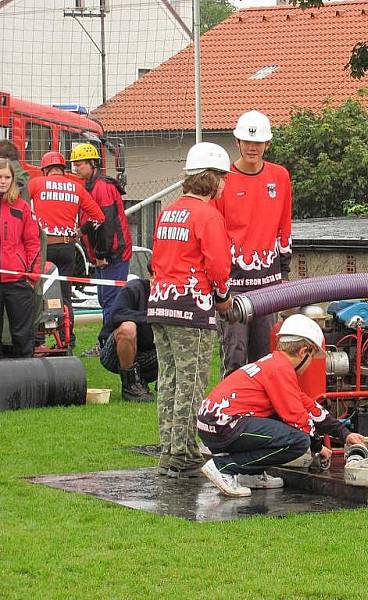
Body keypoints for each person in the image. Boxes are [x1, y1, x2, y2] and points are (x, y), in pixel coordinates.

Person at [198, 314, 366, 497]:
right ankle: (223, 468)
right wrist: (317, 447)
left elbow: (308, 406)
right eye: (312, 357)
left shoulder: (273, 364)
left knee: (284, 428)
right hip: (225, 426)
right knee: (298, 441)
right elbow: (298, 419)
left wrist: (344, 433)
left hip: (215, 424)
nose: (309, 364)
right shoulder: (280, 369)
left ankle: (249, 473)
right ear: (303, 351)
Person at [147, 142, 233, 478]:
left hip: (160, 303)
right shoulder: (208, 214)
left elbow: (158, 260)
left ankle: (168, 449)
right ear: (211, 180)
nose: (224, 184)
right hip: (190, 307)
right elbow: (218, 266)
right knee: (192, 380)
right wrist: (223, 296)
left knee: (168, 379)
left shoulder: (169, 211)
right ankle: (183, 452)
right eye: (222, 178)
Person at [212, 110, 292, 377]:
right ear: (237, 142)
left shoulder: (280, 176)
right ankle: (231, 413)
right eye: (247, 142)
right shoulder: (223, 179)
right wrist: (219, 285)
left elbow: (284, 225)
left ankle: (260, 413)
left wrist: (285, 273)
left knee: (266, 358)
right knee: (235, 356)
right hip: (234, 284)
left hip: (268, 283)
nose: (252, 147)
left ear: (267, 144)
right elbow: (214, 233)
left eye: (258, 143)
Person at [29, 151, 105, 348]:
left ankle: (37, 339)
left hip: (44, 246)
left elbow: (20, 206)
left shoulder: (36, 184)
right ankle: (66, 338)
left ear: (45, 170)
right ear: (63, 169)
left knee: (39, 291)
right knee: (65, 295)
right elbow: (99, 217)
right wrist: (79, 232)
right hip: (68, 246)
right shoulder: (76, 187)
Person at [70, 143, 133, 353]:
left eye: (79, 164)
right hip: (105, 254)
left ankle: (107, 344)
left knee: (111, 300)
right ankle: (109, 343)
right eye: (74, 165)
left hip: (112, 254)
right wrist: (80, 232)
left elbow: (106, 223)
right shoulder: (90, 186)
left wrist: (102, 254)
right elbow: (93, 220)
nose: (76, 168)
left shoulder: (102, 188)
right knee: (104, 298)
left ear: (92, 164)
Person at [0, 158, 40, 357]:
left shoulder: (22, 207)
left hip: (18, 280)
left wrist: (31, 277)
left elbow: (33, 242)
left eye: (7, 177)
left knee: (22, 336)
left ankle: (27, 382)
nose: (3, 181)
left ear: (13, 179)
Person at [99, 276, 157, 402]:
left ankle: (169, 384)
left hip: (153, 354)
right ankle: (130, 386)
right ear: (151, 276)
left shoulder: (175, 295)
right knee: (128, 328)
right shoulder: (134, 288)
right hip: (115, 355)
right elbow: (116, 314)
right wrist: (152, 316)